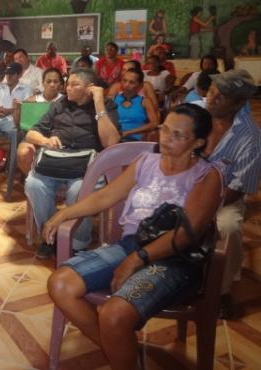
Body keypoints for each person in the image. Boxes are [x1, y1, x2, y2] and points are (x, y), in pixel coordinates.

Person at [45, 103, 223, 370]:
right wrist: (65, 213)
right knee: (60, 284)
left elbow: (187, 234)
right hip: (131, 244)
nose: (166, 138)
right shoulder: (146, 162)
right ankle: (124, 354)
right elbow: (106, 195)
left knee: (113, 314)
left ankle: (122, 353)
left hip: (176, 260)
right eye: (165, 129)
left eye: (177, 135)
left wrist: (136, 260)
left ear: (197, 142)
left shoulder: (206, 175)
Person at [24, 69, 121, 259]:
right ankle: (49, 237)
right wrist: (45, 141)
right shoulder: (60, 105)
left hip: (88, 166)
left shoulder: (106, 106)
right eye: (67, 83)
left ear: (90, 88)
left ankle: (78, 243)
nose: (67, 88)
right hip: (57, 160)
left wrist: (99, 102)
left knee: (79, 191)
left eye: (74, 84)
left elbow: (111, 143)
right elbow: (31, 133)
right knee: (34, 184)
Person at [202, 69, 261, 318]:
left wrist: (203, 207)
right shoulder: (197, 118)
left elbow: (238, 188)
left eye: (221, 95)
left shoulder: (250, 137)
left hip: (224, 198)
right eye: (212, 90)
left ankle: (222, 290)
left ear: (238, 103)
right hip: (183, 187)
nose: (212, 97)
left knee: (228, 226)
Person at [16, 67, 65, 175]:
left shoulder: (66, 101)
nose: (52, 84)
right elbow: (20, 125)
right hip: (33, 137)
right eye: (48, 81)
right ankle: (31, 178)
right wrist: (17, 109)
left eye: (55, 82)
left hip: (56, 138)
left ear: (61, 85)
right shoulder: (31, 101)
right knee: (23, 152)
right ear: (43, 83)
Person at [0, 62, 31, 135]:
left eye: (12, 74)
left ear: (20, 75)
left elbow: (27, 109)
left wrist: (10, 111)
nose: (8, 76)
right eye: (7, 73)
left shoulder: (26, 89)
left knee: (16, 133)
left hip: (12, 121)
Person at [113, 66, 159, 141]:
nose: (126, 85)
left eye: (132, 82)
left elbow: (154, 123)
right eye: (124, 81)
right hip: (114, 138)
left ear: (140, 85)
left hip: (134, 140)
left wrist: (127, 133)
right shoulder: (114, 99)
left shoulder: (145, 101)